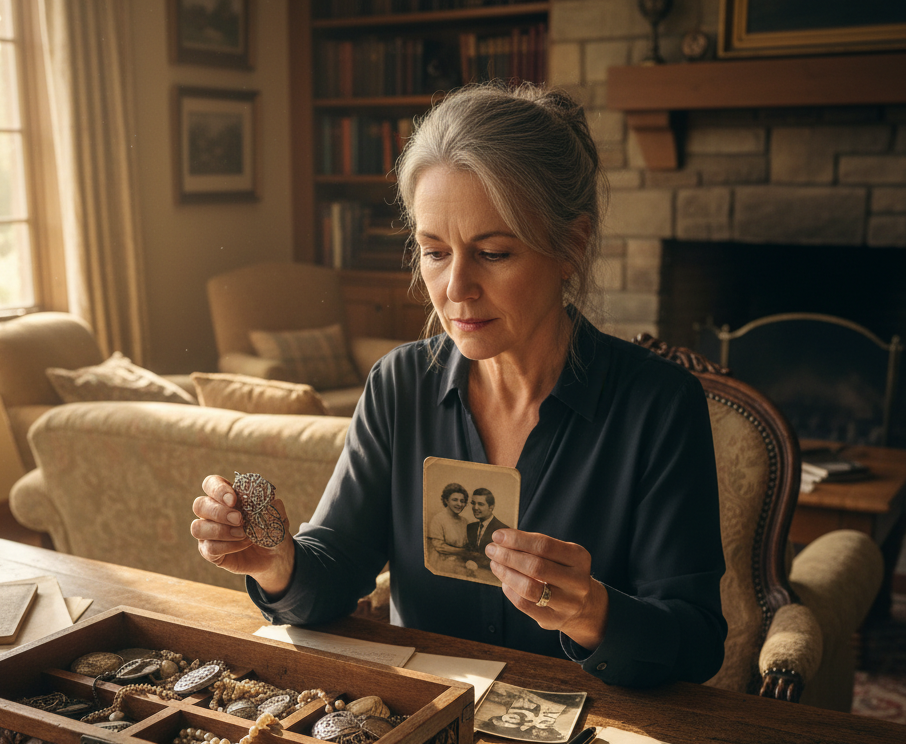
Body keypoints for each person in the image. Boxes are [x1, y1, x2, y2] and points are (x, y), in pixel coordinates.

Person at [191, 82, 727, 689]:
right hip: (423, 731)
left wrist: (593, 613)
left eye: (493, 253)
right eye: (435, 252)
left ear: (570, 245)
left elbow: (698, 641)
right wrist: (279, 564)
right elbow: (336, 565)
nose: (456, 289)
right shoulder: (399, 386)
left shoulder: (658, 406)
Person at [427, 482, 470, 567]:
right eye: (455, 500)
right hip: (441, 563)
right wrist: (464, 552)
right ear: (446, 500)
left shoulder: (464, 521)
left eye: (462, 501)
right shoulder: (438, 519)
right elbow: (440, 547)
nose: (459, 504)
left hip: (460, 563)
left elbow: (467, 545)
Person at [466, 488, 508, 569]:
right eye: (473, 503)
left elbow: (502, 560)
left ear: (491, 507)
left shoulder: (503, 530)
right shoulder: (470, 527)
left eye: (480, 504)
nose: (475, 507)